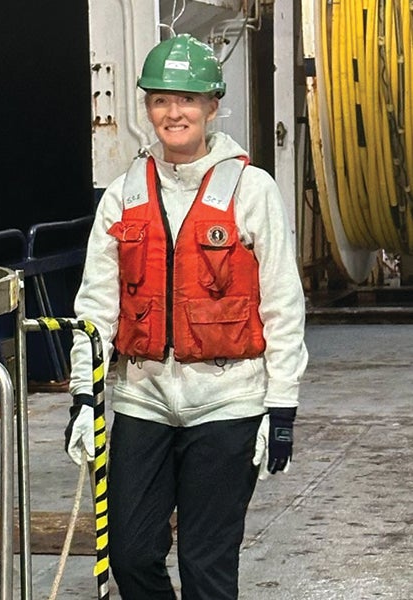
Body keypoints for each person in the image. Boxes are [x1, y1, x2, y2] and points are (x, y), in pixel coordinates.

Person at [64, 33, 308, 600]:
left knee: (205, 565)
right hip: (142, 398)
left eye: (188, 100)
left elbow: (282, 301)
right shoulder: (123, 195)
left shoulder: (252, 190)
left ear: (212, 107)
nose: (174, 113)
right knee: (129, 553)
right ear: (147, 108)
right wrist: (83, 395)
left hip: (228, 400)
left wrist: (282, 404)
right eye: (160, 100)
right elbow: (96, 306)